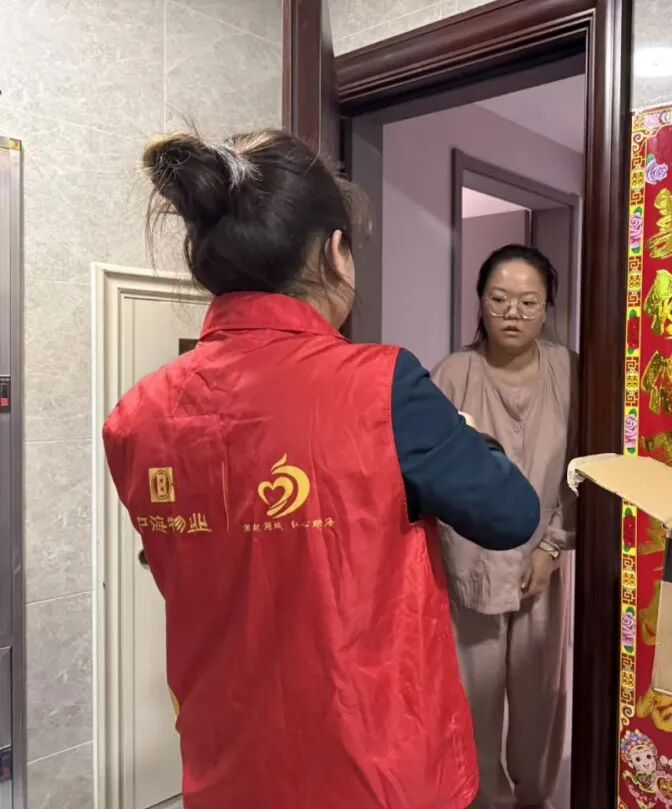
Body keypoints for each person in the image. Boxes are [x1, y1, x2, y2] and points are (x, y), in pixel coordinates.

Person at [101, 130, 541, 809]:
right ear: (335, 252)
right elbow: (512, 513)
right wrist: (469, 437)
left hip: (226, 771)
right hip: (377, 775)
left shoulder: (136, 417)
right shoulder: (383, 388)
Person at [432, 244, 577, 809]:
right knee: (474, 698)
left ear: (546, 309)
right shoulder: (451, 375)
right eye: (499, 300)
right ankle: (484, 799)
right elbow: (431, 473)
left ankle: (533, 798)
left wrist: (552, 547)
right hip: (470, 563)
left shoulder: (573, 372)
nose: (512, 313)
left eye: (527, 302)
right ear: (480, 303)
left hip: (545, 560)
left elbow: (584, 471)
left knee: (541, 697)